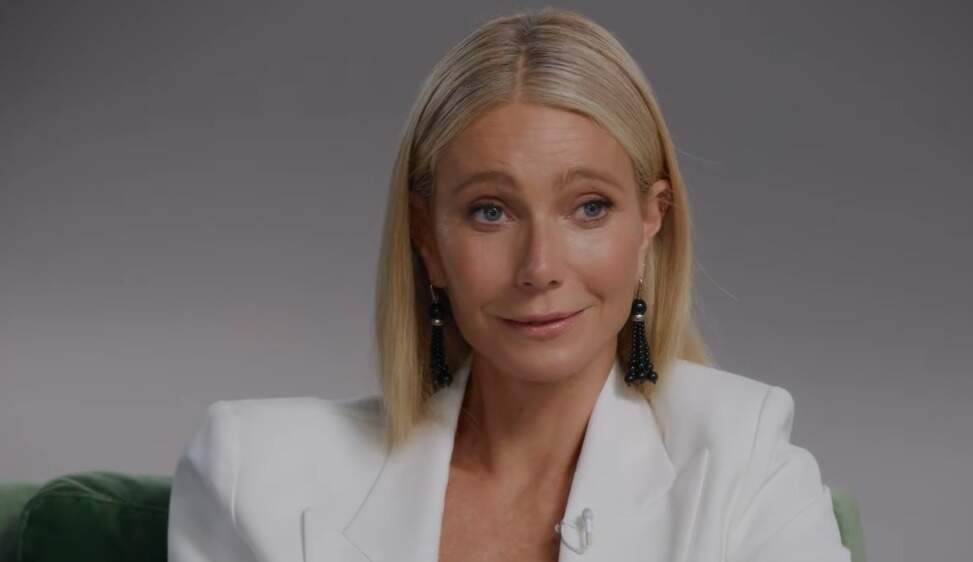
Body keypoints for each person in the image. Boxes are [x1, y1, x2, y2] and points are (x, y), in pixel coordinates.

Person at [167, 7, 850, 562]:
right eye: (490, 212)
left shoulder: (742, 463)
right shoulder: (257, 474)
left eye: (589, 207)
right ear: (427, 239)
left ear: (651, 222)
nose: (540, 267)